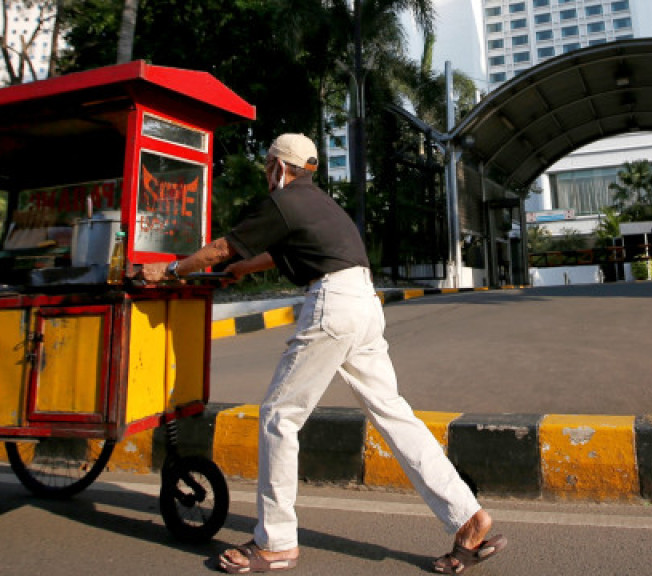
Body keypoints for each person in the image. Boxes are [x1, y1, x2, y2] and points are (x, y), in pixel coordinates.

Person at [137, 133, 506, 574]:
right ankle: (468, 516)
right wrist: (242, 268)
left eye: (268, 166)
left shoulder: (283, 201)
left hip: (333, 306)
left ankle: (275, 543)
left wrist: (170, 269)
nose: (267, 174)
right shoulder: (320, 203)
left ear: (279, 167)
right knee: (393, 413)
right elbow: (281, 251)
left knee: (279, 416)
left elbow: (221, 247)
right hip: (364, 305)